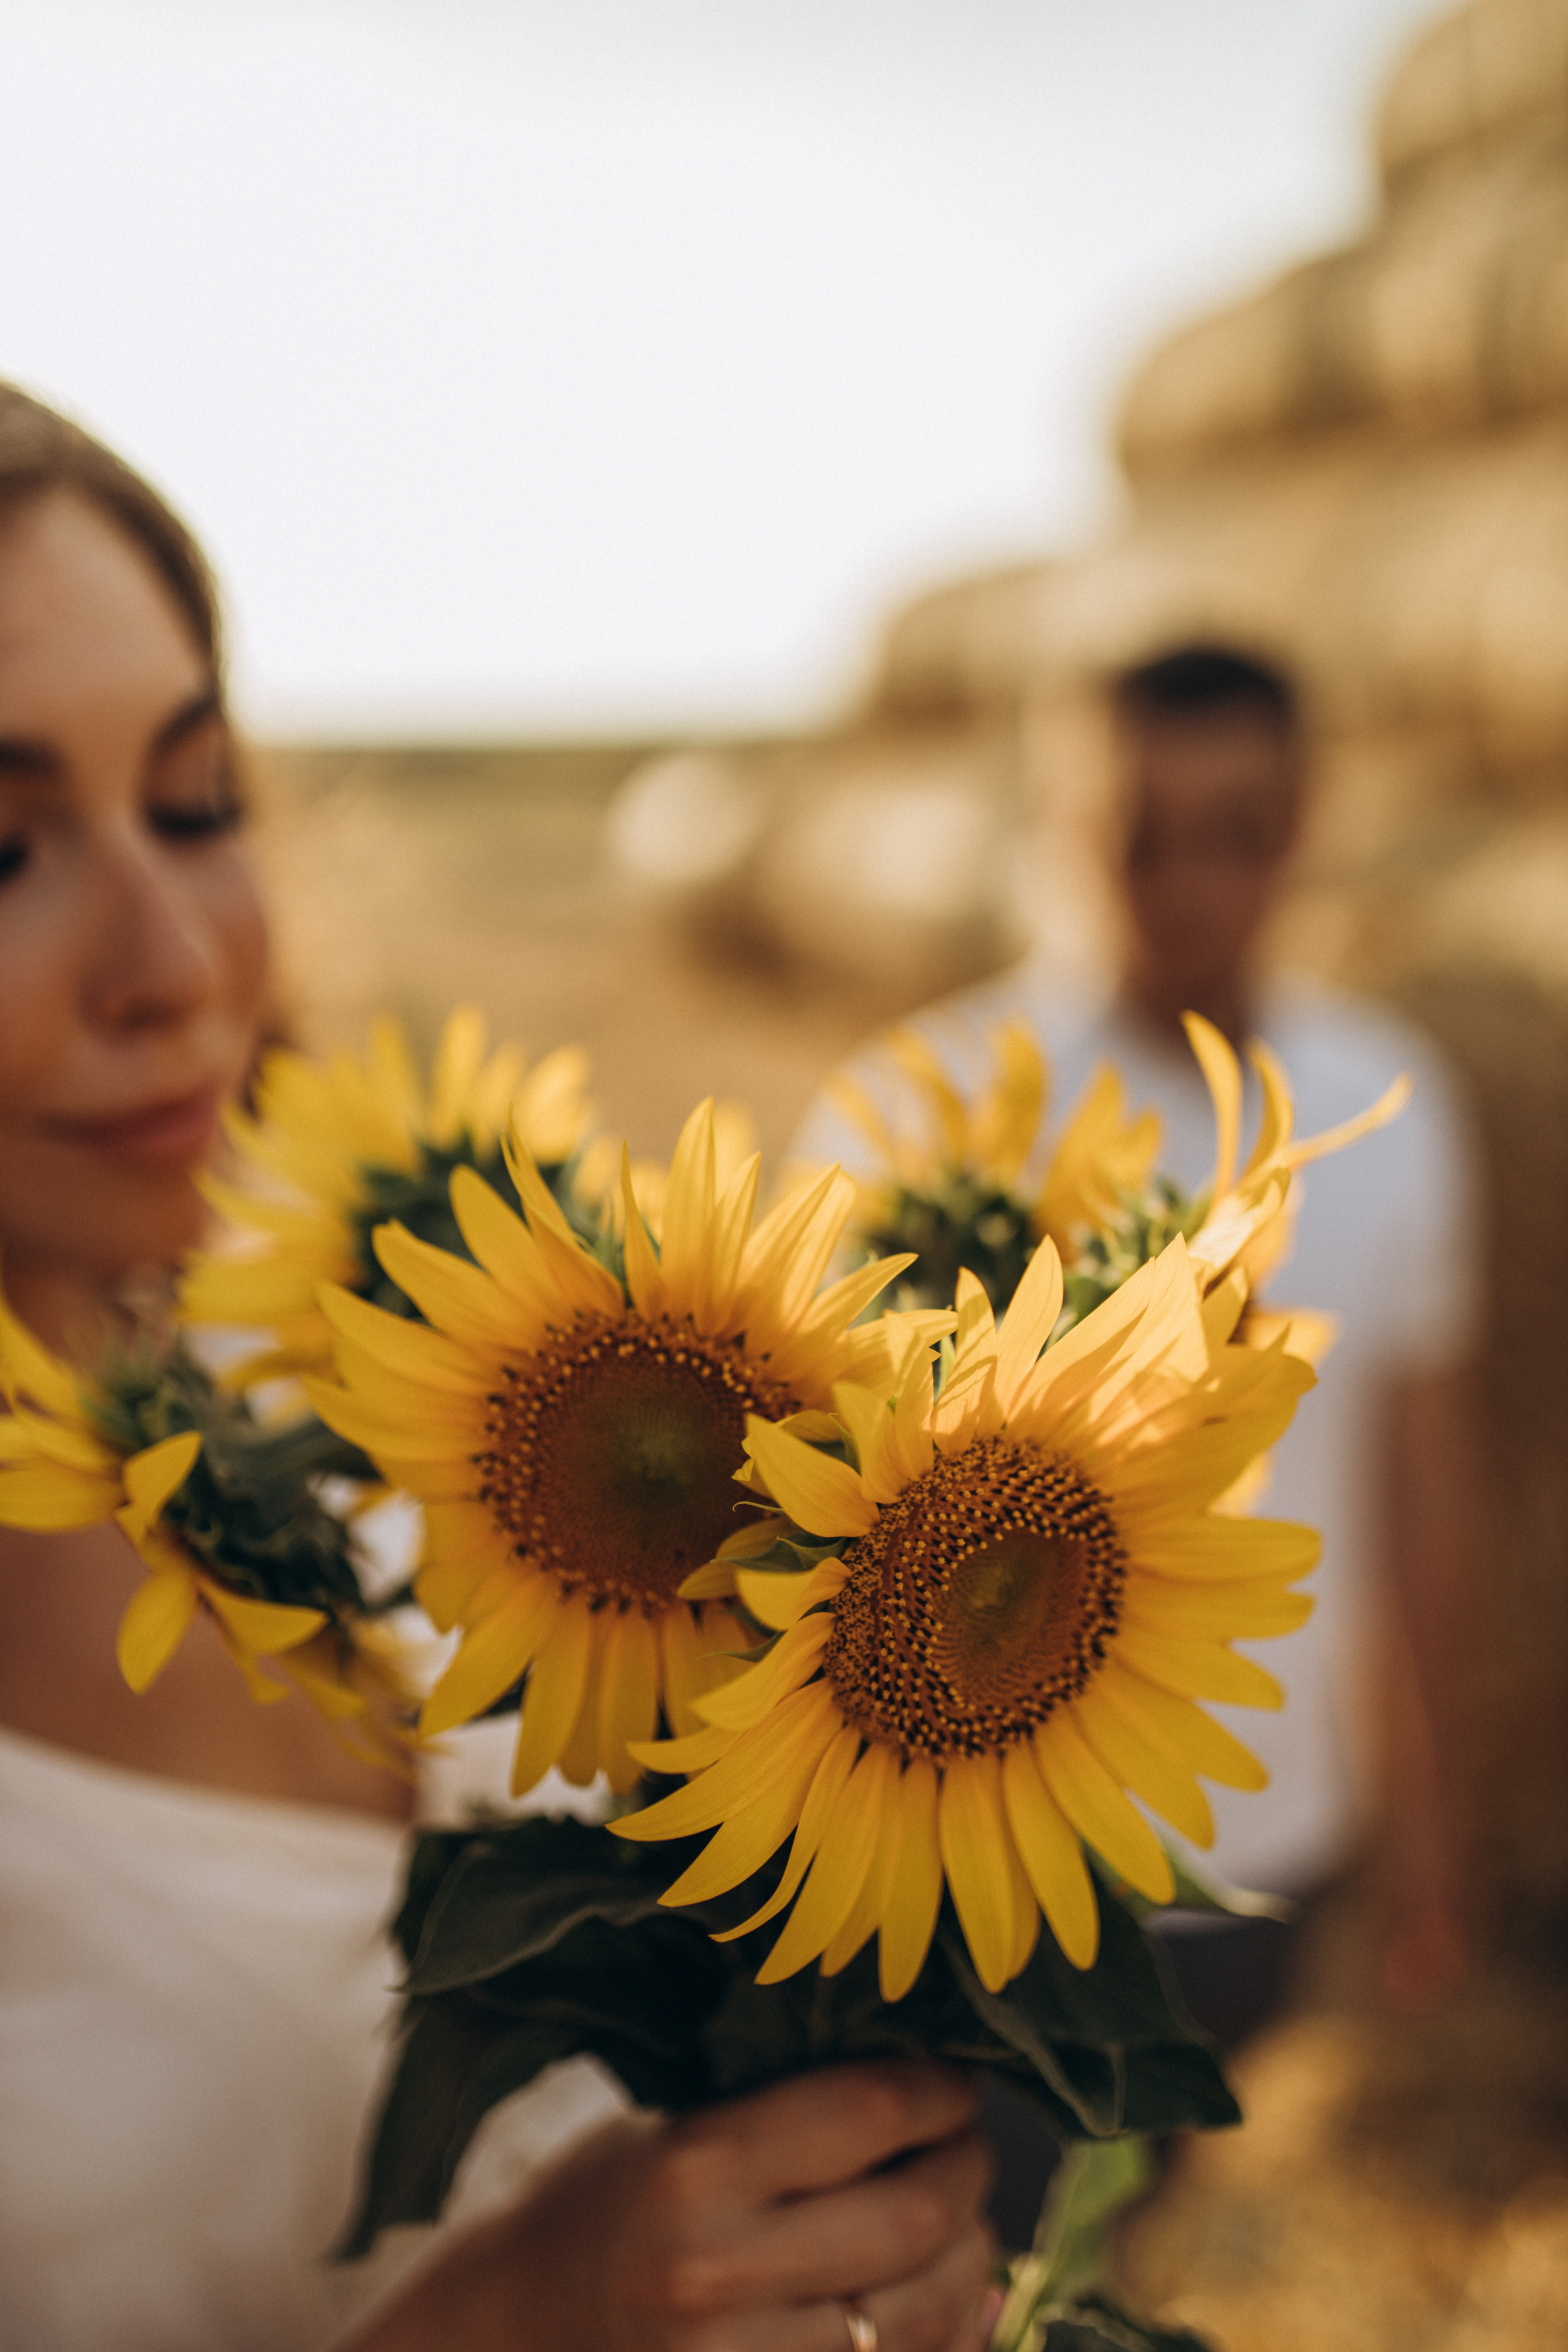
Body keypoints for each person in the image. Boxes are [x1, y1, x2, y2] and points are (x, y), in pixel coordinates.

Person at [0, 383, 995, 2352]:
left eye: (196, 806)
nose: (174, 964)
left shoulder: (377, 1375)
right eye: (2, 848)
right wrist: (520, 2318)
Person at [794, 643, 1483, 2046]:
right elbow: (804, 1488)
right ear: (1052, 823)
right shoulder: (921, 1109)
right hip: (972, 1841)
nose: (1187, 887)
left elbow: (1417, 1493)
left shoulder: (1379, 1106)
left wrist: (1426, 1828)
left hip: (1264, 1822)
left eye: (1236, 833)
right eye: (1136, 838)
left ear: (1300, 828)